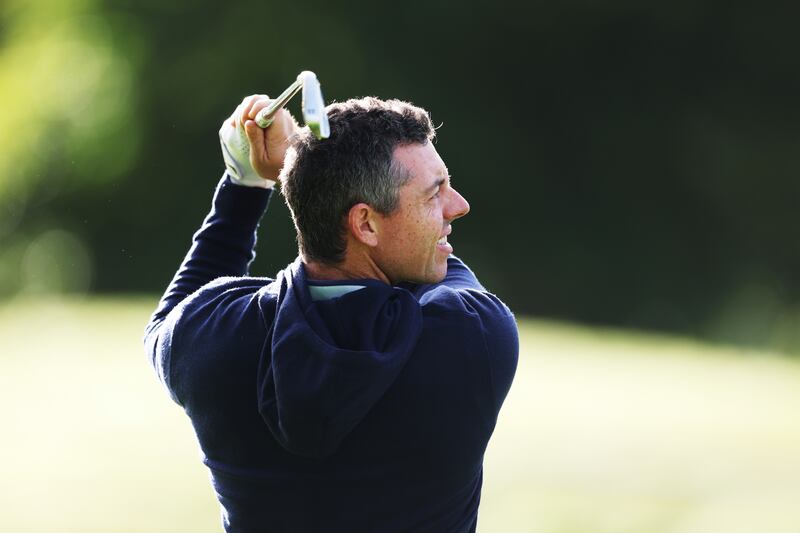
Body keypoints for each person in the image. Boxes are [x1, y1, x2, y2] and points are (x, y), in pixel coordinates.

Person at [144, 93, 519, 533]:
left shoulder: (214, 339)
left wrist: (246, 185)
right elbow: (440, 275)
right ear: (365, 224)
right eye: (434, 193)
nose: (457, 205)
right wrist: (304, 177)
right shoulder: (472, 335)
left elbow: (172, 318)